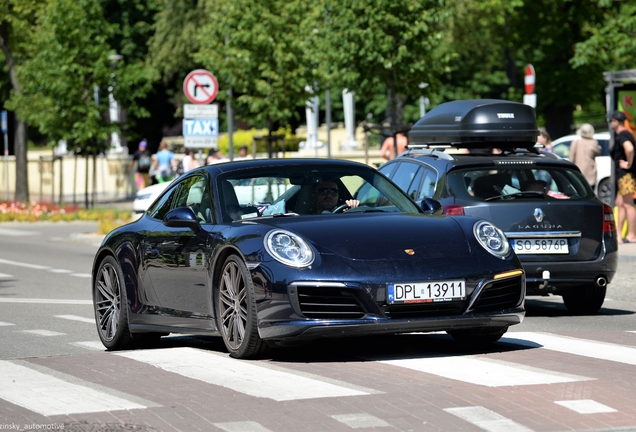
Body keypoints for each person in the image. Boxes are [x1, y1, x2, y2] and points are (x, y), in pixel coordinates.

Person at [610, 111, 636, 243]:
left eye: (611, 121)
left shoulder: (623, 135)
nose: (610, 123)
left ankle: (631, 235)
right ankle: (619, 235)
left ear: (616, 121)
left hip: (625, 175)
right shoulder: (622, 134)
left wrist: (628, 164)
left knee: (628, 204)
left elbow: (629, 149)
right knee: (620, 204)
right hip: (623, 176)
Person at [569, 123, 601, 188]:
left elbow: (571, 159)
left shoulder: (576, 142)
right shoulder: (593, 142)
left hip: (577, 174)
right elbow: (599, 152)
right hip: (590, 174)